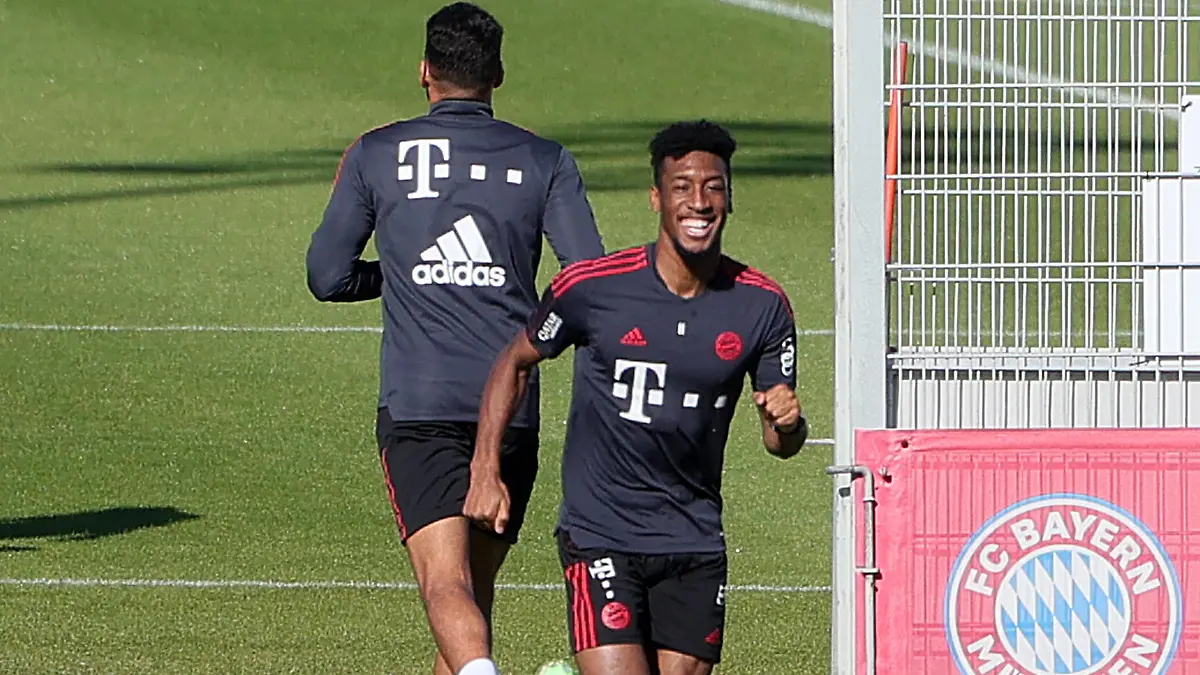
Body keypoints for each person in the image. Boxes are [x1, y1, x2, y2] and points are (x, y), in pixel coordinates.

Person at [304, 3, 605, 674]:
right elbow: (587, 280)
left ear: (424, 72)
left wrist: (397, 274)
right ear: (497, 73)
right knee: (473, 601)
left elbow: (326, 275)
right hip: (513, 411)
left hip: (420, 404)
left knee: (446, 586)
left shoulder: (377, 152)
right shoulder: (545, 160)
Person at [464, 120, 807, 675]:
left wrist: (788, 423)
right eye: (683, 187)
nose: (699, 202)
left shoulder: (762, 306)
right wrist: (485, 468)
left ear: (730, 197)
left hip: (694, 539)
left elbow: (779, 441)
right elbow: (515, 361)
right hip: (601, 531)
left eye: (714, 187)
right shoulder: (594, 288)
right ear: (657, 198)